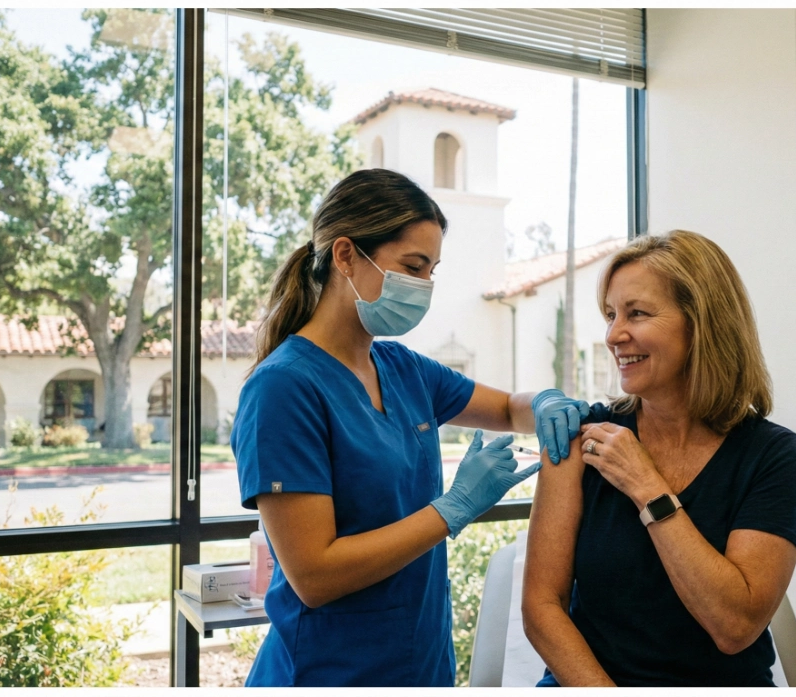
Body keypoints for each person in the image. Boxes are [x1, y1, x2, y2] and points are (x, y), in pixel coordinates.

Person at [230, 169, 591, 687]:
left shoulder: (402, 368)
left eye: (432, 270)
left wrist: (549, 402)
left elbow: (510, 408)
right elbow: (315, 575)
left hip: (419, 663)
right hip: (329, 671)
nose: (424, 286)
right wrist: (454, 508)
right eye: (412, 266)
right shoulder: (283, 388)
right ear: (346, 255)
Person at [522, 230, 796, 687]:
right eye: (611, 314)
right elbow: (542, 608)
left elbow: (734, 628)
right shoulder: (580, 436)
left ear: (703, 324)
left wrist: (647, 486)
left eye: (637, 313)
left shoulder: (770, 454)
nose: (614, 335)